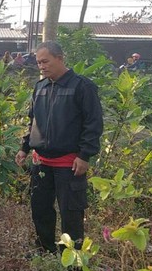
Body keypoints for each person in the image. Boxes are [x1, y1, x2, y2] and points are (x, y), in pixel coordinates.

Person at [15, 41, 103, 254]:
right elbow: (33, 121)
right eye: (38, 63)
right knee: (41, 210)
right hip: (41, 163)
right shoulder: (40, 87)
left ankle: (72, 263)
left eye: (45, 61)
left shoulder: (82, 87)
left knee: (71, 215)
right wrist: (24, 148)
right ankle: (44, 252)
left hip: (69, 164)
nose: (41, 66)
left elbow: (93, 124)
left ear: (60, 58)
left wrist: (84, 156)